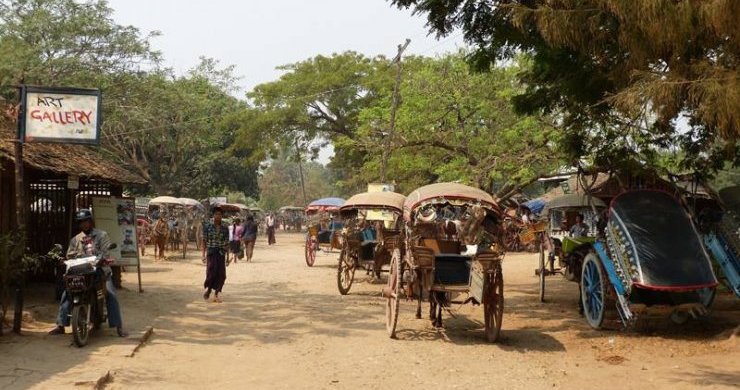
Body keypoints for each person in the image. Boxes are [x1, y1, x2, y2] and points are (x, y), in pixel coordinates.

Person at [49, 209, 127, 337]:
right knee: (67, 293)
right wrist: (66, 260)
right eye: (81, 222)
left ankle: (118, 327)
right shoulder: (75, 239)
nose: (84, 224)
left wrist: (102, 258)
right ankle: (61, 324)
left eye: (86, 221)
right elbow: (70, 255)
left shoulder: (102, 235)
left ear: (91, 221)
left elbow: (106, 250)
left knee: (111, 294)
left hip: (100, 271)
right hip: (81, 273)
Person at [202, 206, 229, 302]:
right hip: (211, 252)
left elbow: (227, 243)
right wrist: (203, 255)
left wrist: (227, 257)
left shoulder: (225, 228)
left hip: (221, 253)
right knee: (211, 273)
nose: (218, 216)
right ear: (213, 215)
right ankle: (209, 290)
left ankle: (216, 294)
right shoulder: (208, 227)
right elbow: (204, 241)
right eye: (216, 214)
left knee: (222, 275)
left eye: (220, 214)